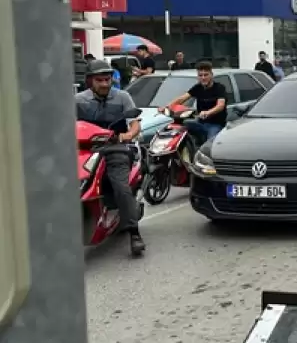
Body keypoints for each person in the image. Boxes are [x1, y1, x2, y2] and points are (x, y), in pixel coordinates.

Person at [75, 60, 146, 256]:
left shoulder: (123, 97)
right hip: (85, 150)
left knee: (121, 187)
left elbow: (135, 124)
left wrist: (127, 135)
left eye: (107, 79)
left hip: (115, 148)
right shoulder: (78, 100)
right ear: (90, 81)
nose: (105, 84)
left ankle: (134, 233)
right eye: (100, 80)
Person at [160, 61, 228, 145]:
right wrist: (167, 107)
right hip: (200, 122)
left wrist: (208, 112)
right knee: (180, 127)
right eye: (200, 75)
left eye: (206, 75)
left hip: (215, 124)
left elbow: (220, 106)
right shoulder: (197, 87)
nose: (203, 78)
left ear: (211, 75)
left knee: (210, 145)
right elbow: (182, 98)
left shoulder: (219, 88)